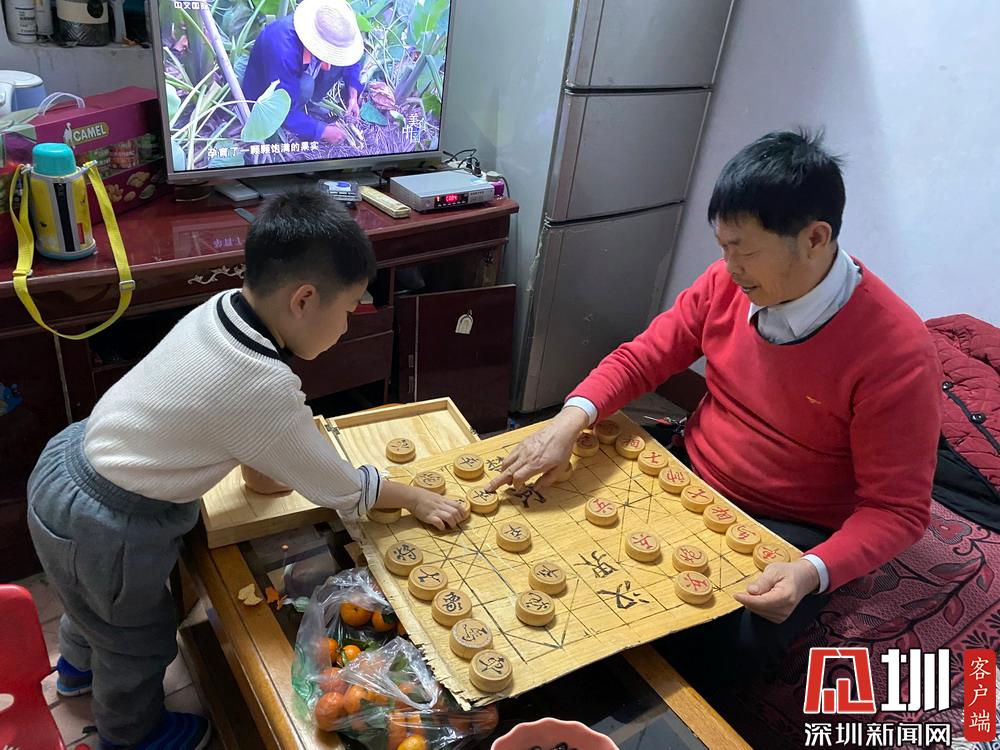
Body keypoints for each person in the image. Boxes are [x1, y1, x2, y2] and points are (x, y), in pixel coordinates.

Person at [487, 130, 941, 675]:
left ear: (815, 238)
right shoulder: (729, 282)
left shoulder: (897, 352)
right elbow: (643, 359)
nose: (729, 266)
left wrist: (810, 571)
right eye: (722, 247)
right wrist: (568, 420)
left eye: (743, 250)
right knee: (553, 525)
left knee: (726, 642)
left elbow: (897, 510)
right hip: (693, 467)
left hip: (790, 521)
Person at [27, 188, 468, 749]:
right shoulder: (261, 384)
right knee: (134, 638)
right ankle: (131, 735)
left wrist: (262, 468)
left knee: (89, 598)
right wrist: (415, 497)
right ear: (304, 300)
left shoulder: (221, 309)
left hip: (69, 463)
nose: (347, 328)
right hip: (109, 522)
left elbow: (223, 423)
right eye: (348, 311)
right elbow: (340, 486)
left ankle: (75, 670)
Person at [242, 0, 364, 145]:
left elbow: (351, 61)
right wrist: (321, 131)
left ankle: (309, 105)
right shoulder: (283, 51)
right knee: (306, 85)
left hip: (299, 71)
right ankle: (300, 115)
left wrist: (353, 97)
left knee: (337, 66)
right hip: (265, 94)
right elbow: (280, 110)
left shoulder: (330, 30)